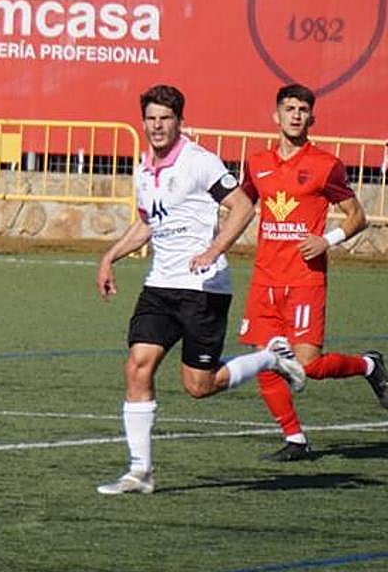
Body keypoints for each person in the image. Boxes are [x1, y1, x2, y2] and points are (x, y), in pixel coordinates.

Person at [95, 84, 306, 495]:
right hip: (159, 286)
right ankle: (140, 472)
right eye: (151, 119)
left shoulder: (199, 162)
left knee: (198, 386)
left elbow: (244, 205)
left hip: (202, 289)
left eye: (165, 119)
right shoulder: (143, 168)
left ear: (179, 121)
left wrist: (214, 249)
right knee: (137, 365)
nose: (157, 126)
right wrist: (110, 257)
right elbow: (145, 224)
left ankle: (269, 358)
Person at [237, 83, 388, 460]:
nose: (295, 115)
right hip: (264, 280)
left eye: (302, 110)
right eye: (289, 109)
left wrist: (327, 240)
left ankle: (368, 365)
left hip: (305, 281)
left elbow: (358, 217)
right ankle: (296, 440)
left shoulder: (325, 165)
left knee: (309, 365)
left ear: (311, 118)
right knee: (265, 362)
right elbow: (240, 205)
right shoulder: (257, 163)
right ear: (276, 115)